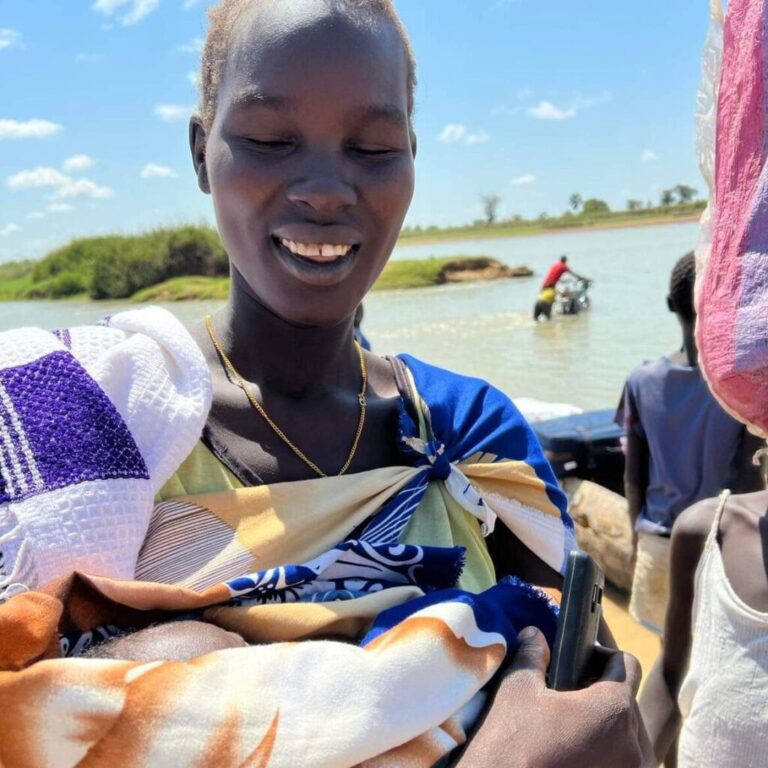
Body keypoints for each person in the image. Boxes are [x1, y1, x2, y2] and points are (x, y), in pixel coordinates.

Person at [0, 2, 652, 766]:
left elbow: (584, 701)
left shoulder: (470, 435)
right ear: (200, 151)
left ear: (412, 157)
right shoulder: (94, 429)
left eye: (373, 147)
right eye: (271, 139)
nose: (326, 188)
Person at [616, 251, 761, 634]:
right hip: (722, 545)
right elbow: (750, 478)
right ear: (719, 301)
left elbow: (634, 476)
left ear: (669, 306)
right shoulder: (739, 383)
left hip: (659, 544)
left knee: (667, 658)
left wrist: (635, 540)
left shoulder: (640, 380)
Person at [534, 255, 587, 320]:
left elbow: (553, 275)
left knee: (536, 317)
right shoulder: (563, 266)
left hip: (543, 289)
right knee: (548, 317)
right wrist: (582, 278)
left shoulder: (554, 265)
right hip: (549, 290)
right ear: (565, 261)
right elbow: (572, 273)